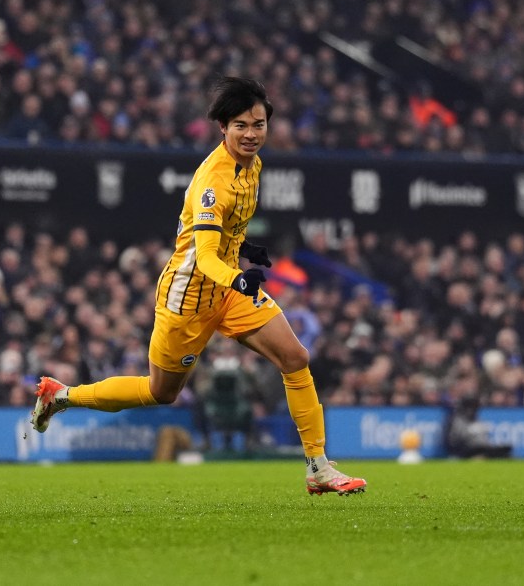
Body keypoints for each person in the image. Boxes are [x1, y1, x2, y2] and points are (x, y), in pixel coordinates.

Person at [31, 77, 366, 496]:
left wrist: (247, 249)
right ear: (222, 128)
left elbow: (221, 238)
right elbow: (203, 257)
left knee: (295, 356)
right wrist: (240, 276)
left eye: (258, 124)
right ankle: (61, 396)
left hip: (227, 290)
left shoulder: (253, 165)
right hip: (188, 297)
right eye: (241, 125)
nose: (251, 134)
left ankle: (318, 467)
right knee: (161, 392)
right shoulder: (214, 182)